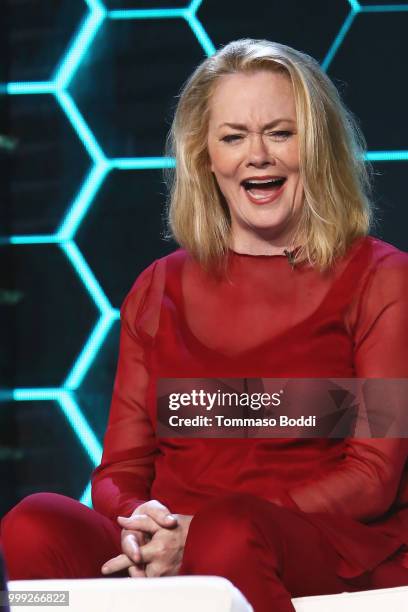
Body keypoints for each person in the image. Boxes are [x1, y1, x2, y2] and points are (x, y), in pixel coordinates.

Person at [2, 38, 408, 612]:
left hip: (314, 543)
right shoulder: (158, 287)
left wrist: (202, 532)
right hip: (173, 545)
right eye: (233, 136)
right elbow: (120, 470)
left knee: (231, 532)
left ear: (318, 148)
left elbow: (371, 477)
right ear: (205, 157)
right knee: (31, 524)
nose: (257, 155)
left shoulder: (382, 279)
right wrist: (139, 521)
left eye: (281, 132)